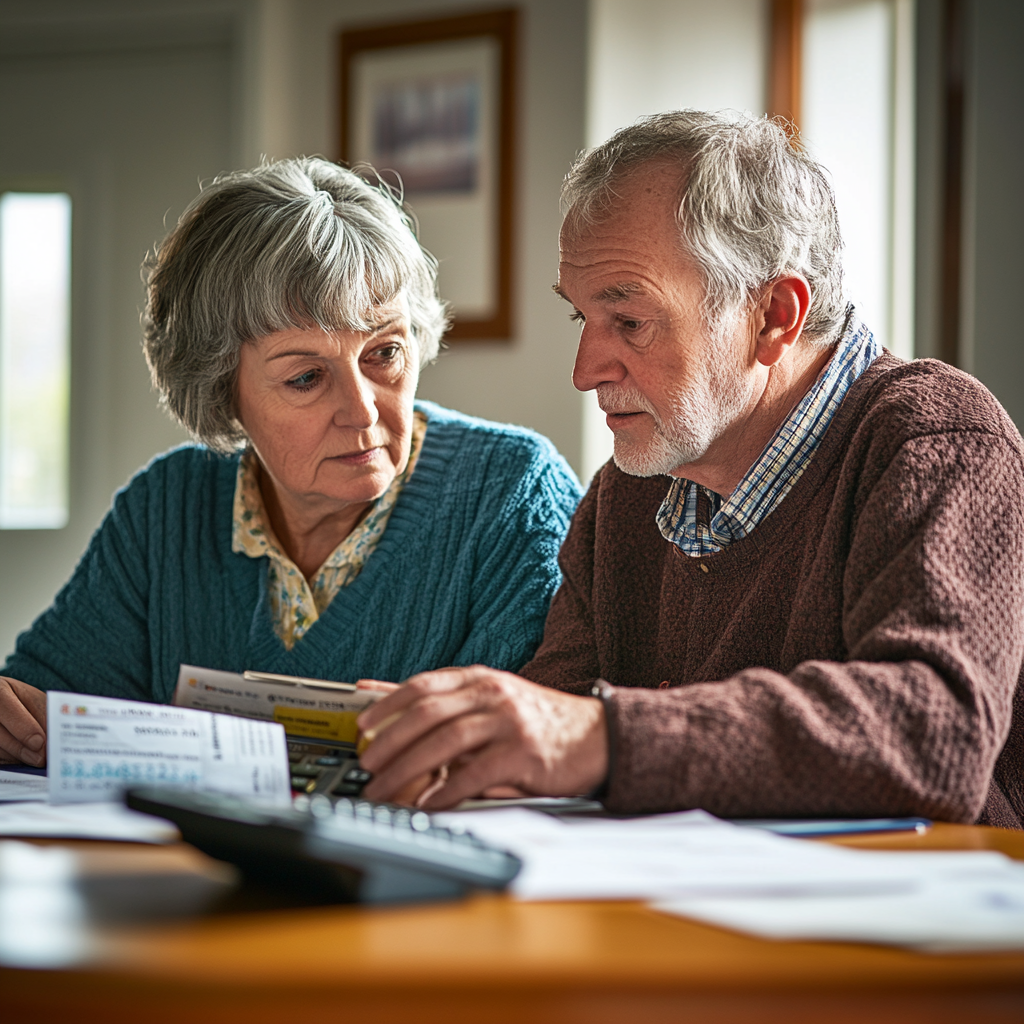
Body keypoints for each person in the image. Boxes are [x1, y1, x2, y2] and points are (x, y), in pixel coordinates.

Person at [356, 110, 1024, 830]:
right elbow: (545, 742)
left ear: (774, 316)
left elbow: (935, 733)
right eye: (582, 319)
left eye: (630, 322)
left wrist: (603, 738)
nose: (585, 371)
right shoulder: (628, 493)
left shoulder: (933, 439)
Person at [0, 158, 582, 766]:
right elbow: (39, 719)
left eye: (385, 352)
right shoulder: (167, 509)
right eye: (306, 377)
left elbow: (543, 756)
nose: (362, 411)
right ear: (221, 389)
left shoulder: (512, 495)